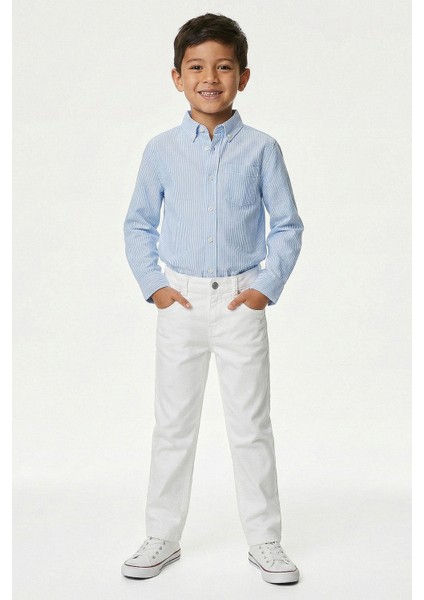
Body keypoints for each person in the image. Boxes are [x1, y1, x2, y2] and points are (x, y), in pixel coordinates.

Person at [121, 13, 304, 585]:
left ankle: (265, 539)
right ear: (176, 77)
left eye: (223, 67)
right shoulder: (161, 150)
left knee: (251, 425)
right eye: (196, 67)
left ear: (243, 77)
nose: (210, 78)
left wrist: (263, 289)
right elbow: (138, 223)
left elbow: (287, 226)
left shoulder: (262, 149)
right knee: (173, 425)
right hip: (180, 302)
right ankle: (162, 535)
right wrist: (156, 286)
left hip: (238, 303)